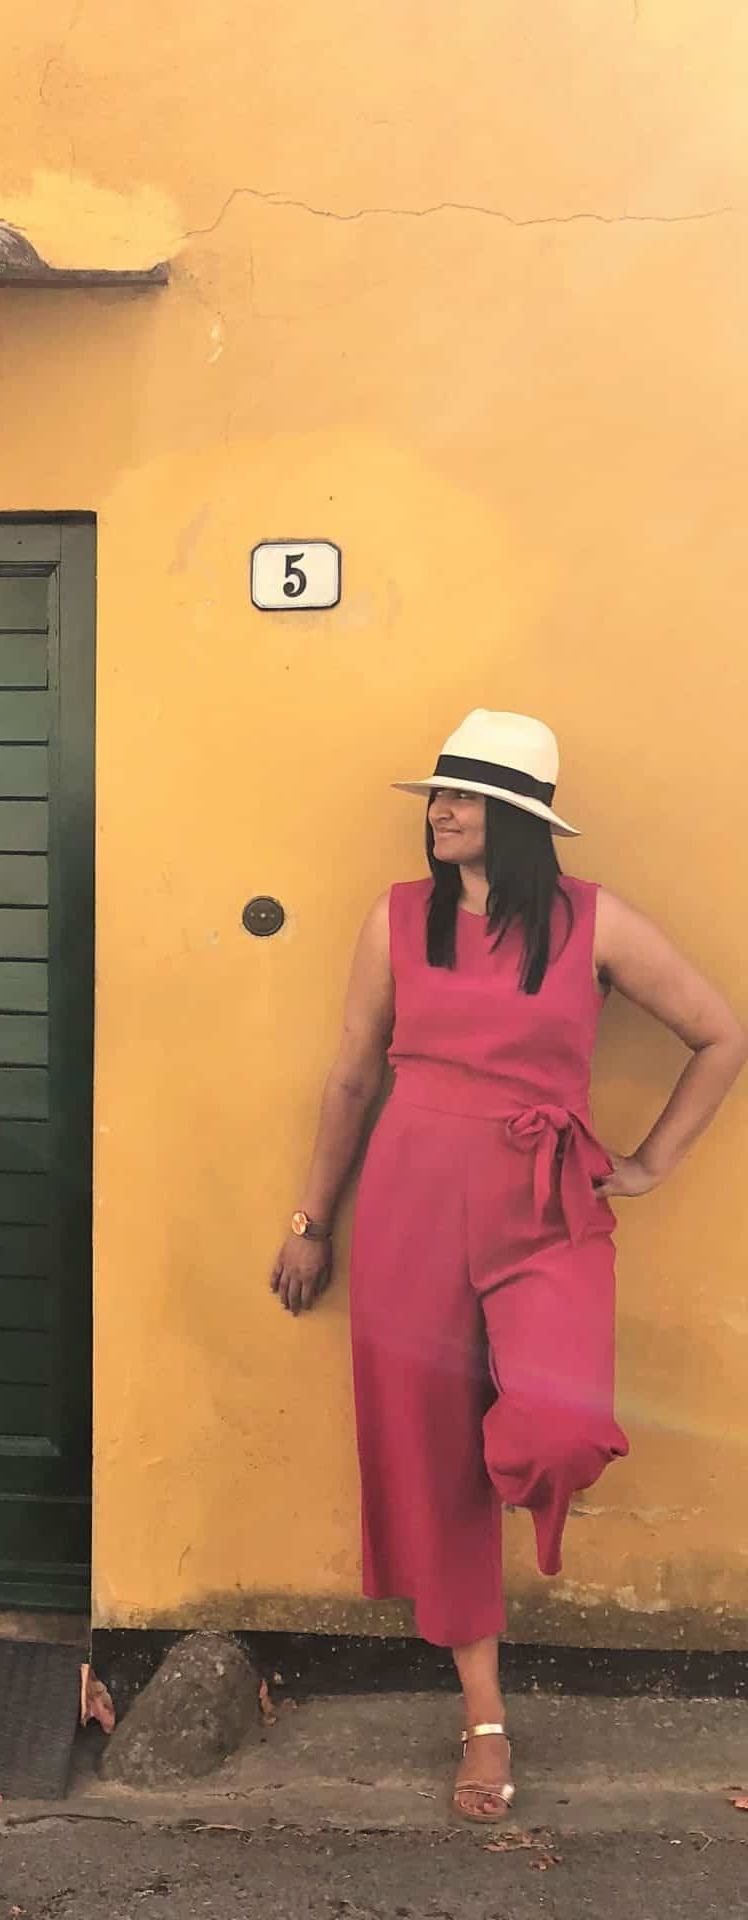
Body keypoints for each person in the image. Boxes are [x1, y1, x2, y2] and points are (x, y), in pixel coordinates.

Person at [271, 709, 747, 1824]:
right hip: (408, 1203)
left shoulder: (597, 923)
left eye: (465, 797)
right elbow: (350, 1081)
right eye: (437, 794)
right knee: (435, 1468)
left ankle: (492, 1455)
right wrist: (311, 1218)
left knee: (559, 1429)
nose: (440, 810)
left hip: (546, 1204)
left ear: (520, 823)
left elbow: (722, 1034)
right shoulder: (395, 923)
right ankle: (485, 1720)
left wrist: (650, 1165)